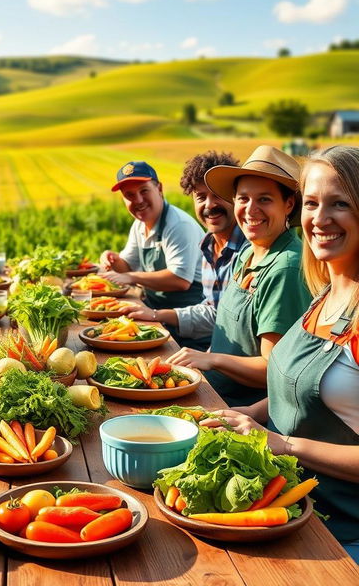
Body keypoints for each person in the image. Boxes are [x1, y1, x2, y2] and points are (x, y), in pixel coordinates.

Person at [201, 145, 359, 561]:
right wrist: (252, 414)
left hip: (340, 537)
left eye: (339, 204)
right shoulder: (325, 293)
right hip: (283, 511)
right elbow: (302, 385)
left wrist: (281, 443)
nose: (320, 219)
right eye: (313, 203)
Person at [167, 146, 311, 406]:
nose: (250, 209)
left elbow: (273, 369)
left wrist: (211, 360)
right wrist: (200, 364)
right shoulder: (249, 254)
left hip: (241, 409)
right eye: (243, 198)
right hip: (213, 390)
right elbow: (225, 337)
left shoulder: (285, 268)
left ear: (288, 204)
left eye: (264, 199)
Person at [129, 151, 248, 342]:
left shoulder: (249, 251)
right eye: (201, 197)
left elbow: (241, 329)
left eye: (217, 195)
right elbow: (213, 312)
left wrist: (210, 359)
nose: (210, 205)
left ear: (235, 196)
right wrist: (155, 315)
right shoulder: (209, 245)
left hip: (224, 353)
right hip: (212, 344)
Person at [100, 160, 206, 348]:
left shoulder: (178, 225)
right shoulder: (140, 225)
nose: (138, 200)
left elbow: (180, 280)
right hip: (157, 317)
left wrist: (130, 276)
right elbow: (127, 267)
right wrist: (113, 259)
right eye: (129, 195)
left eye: (144, 191)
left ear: (159, 188)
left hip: (190, 332)